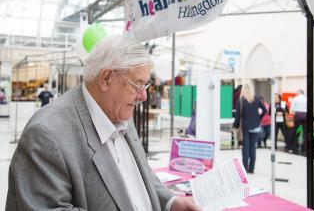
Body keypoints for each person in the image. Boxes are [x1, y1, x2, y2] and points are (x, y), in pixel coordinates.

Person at [6, 35, 200, 211]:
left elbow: (139, 173)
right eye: (137, 85)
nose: (143, 96)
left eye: (145, 85)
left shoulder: (120, 111)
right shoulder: (46, 135)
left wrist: (170, 203)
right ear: (106, 79)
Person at [233, 83, 267, 174]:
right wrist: (258, 119)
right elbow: (265, 110)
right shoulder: (256, 99)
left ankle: (245, 168)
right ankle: (252, 169)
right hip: (256, 126)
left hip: (246, 127)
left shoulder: (241, 100)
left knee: (246, 148)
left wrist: (235, 125)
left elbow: (238, 116)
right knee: (253, 147)